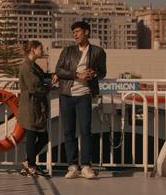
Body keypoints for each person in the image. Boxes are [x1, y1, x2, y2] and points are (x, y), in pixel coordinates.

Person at [56, 21, 107, 179]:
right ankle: (72, 166)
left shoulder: (98, 52)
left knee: (86, 131)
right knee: (69, 131)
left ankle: (86, 166)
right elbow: (59, 70)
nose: (75, 35)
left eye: (78, 31)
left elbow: (103, 72)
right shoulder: (68, 51)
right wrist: (78, 75)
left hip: (85, 94)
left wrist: (94, 74)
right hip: (66, 94)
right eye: (73, 33)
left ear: (87, 32)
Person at [17, 40, 54, 177]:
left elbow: (42, 77)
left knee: (40, 137)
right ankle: (31, 165)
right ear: (33, 49)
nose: (42, 51)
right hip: (30, 106)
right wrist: (50, 86)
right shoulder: (27, 67)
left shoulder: (33, 66)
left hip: (35, 106)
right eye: (40, 49)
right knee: (34, 136)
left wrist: (52, 76)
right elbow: (35, 88)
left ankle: (28, 163)